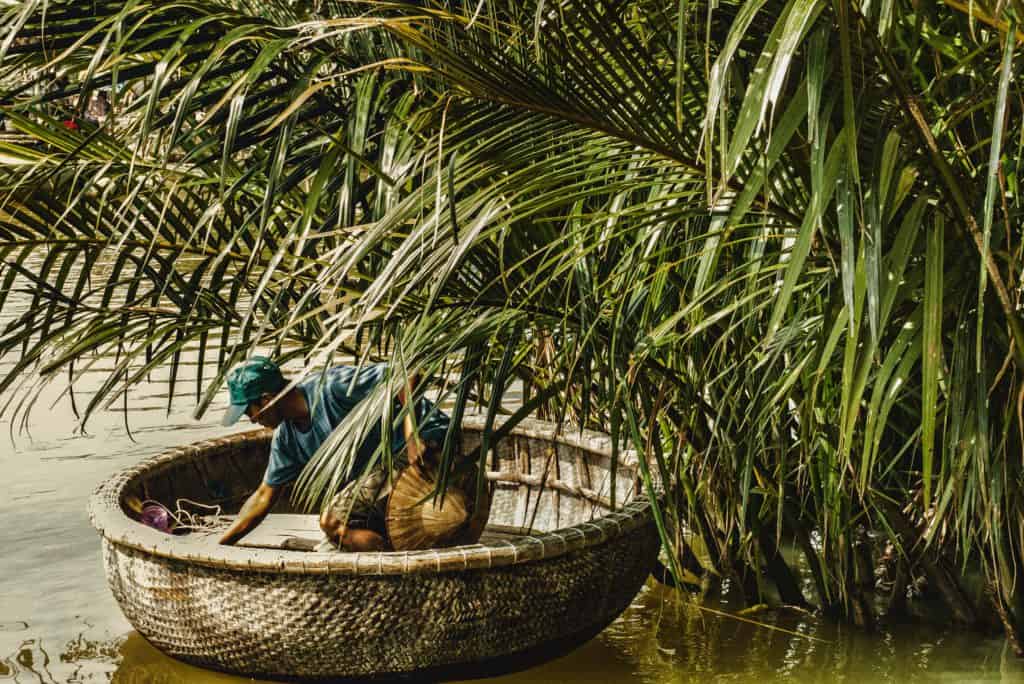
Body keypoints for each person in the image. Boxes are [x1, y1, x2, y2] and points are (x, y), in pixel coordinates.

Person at [216, 357, 449, 551]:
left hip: (429, 442)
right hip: (383, 474)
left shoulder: (332, 387)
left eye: (250, 412)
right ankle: (391, 552)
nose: (252, 420)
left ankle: (396, 565)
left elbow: (406, 372)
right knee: (336, 539)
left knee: (332, 520)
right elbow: (264, 496)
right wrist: (223, 544)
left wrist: (412, 435)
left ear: (266, 401)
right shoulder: (286, 439)